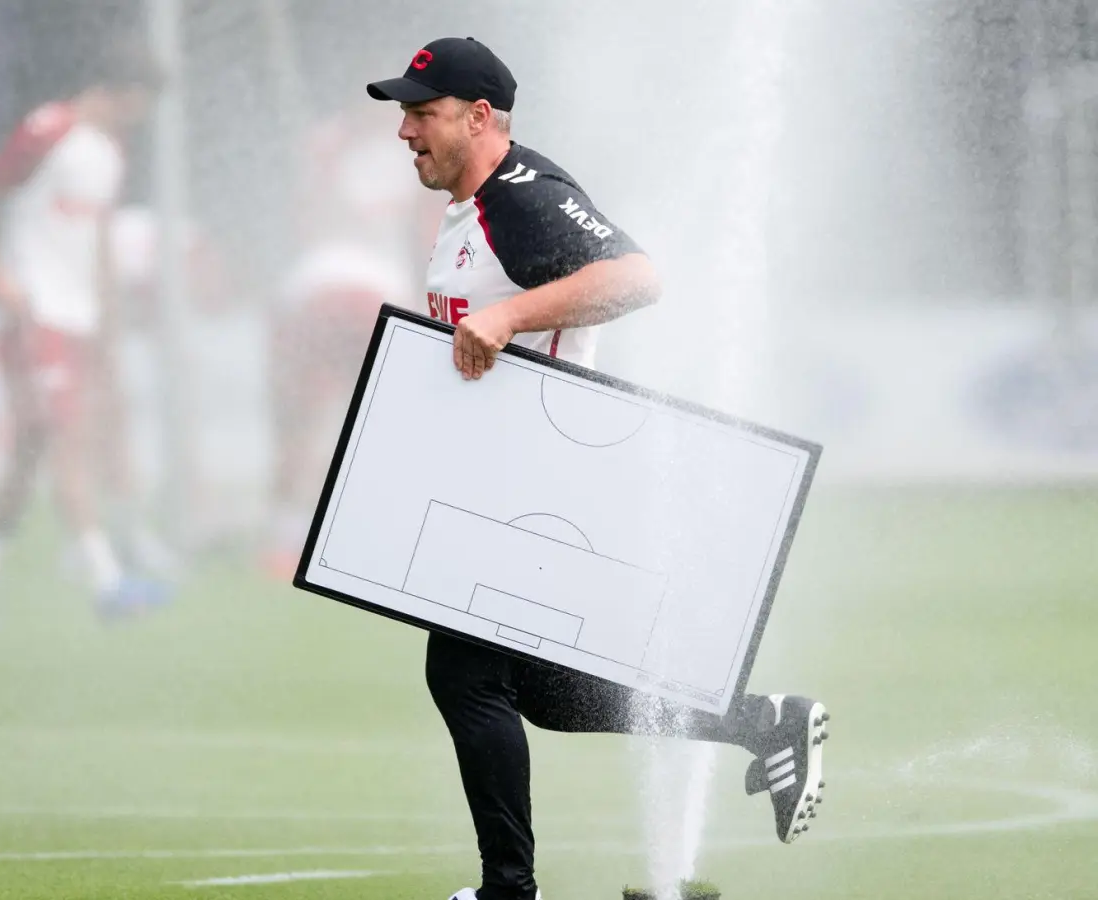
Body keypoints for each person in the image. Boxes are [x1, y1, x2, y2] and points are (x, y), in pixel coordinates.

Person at [363, 37, 830, 900]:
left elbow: (638, 279)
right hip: (505, 480)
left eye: (422, 114)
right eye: (404, 113)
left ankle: (509, 889)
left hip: (540, 480)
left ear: (479, 117)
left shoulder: (522, 194)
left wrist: (507, 318)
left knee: (463, 673)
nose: (405, 131)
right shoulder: (473, 205)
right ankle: (766, 723)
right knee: (537, 690)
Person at [0, 48, 169, 626]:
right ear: (123, 93)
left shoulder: (109, 154)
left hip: (80, 320)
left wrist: (108, 321)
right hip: (35, 311)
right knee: (63, 437)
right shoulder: (48, 130)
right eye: (139, 107)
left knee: (33, 455)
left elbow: (96, 242)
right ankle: (109, 584)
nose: (137, 119)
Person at [262, 103, 435, 575]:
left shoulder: (325, 146)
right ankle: (382, 537)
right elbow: (431, 235)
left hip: (311, 289)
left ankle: (285, 538)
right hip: (378, 296)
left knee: (299, 419)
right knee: (381, 423)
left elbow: (302, 215)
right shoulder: (419, 155)